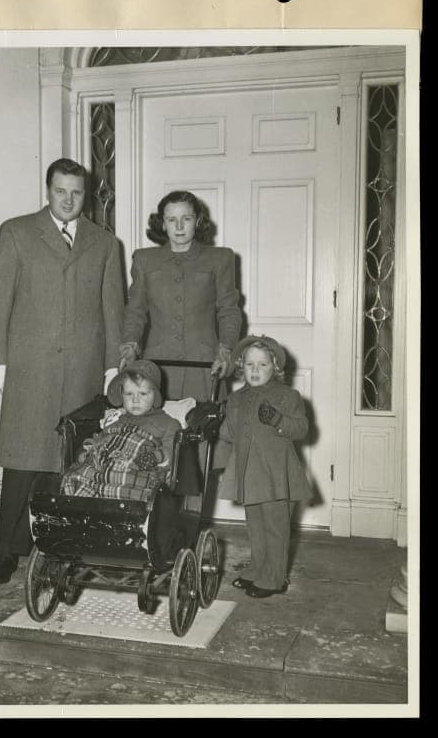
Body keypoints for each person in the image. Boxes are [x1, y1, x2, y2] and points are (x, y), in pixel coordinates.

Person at [0, 158, 124, 583]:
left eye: (76, 192)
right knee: (23, 462)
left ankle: (60, 551)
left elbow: (113, 311)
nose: (68, 199)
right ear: (48, 190)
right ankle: (7, 552)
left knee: (69, 464)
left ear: (86, 194)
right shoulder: (16, 232)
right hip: (29, 370)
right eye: (61, 191)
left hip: (82, 372)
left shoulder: (104, 244)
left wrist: (114, 367)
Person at [118, 190, 242, 402]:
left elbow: (229, 310)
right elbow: (135, 311)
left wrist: (225, 351)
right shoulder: (144, 260)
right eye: (171, 219)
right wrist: (130, 346)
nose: (179, 226)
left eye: (186, 218)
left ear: (198, 221)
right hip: (157, 367)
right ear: (163, 224)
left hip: (205, 365)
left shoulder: (220, 259)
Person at [217, 335, 312, 598]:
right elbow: (230, 432)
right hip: (250, 473)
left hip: (277, 475)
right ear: (241, 367)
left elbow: (301, 429)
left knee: (275, 527)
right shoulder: (237, 399)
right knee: (256, 526)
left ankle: (275, 577)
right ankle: (258, 568)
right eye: (249, 365)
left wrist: (278, 419)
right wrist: (216, 422)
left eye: (262, 365)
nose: (255, 370)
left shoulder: (288, 396)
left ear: (276, 368)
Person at [60, 360, 180, 501]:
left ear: (155, 396)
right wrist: (88, 448)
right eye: (129, 394)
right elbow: (100, 439)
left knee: (126, 478)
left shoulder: (168, 423)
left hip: (136, 471)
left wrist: (156, 456)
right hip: (105, 468)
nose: (135, 400)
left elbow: (172, 451)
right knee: (74, 474)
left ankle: (108, 499)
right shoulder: (117, 421)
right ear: (121, 395)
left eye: (142, 394)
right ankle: (82, 505)